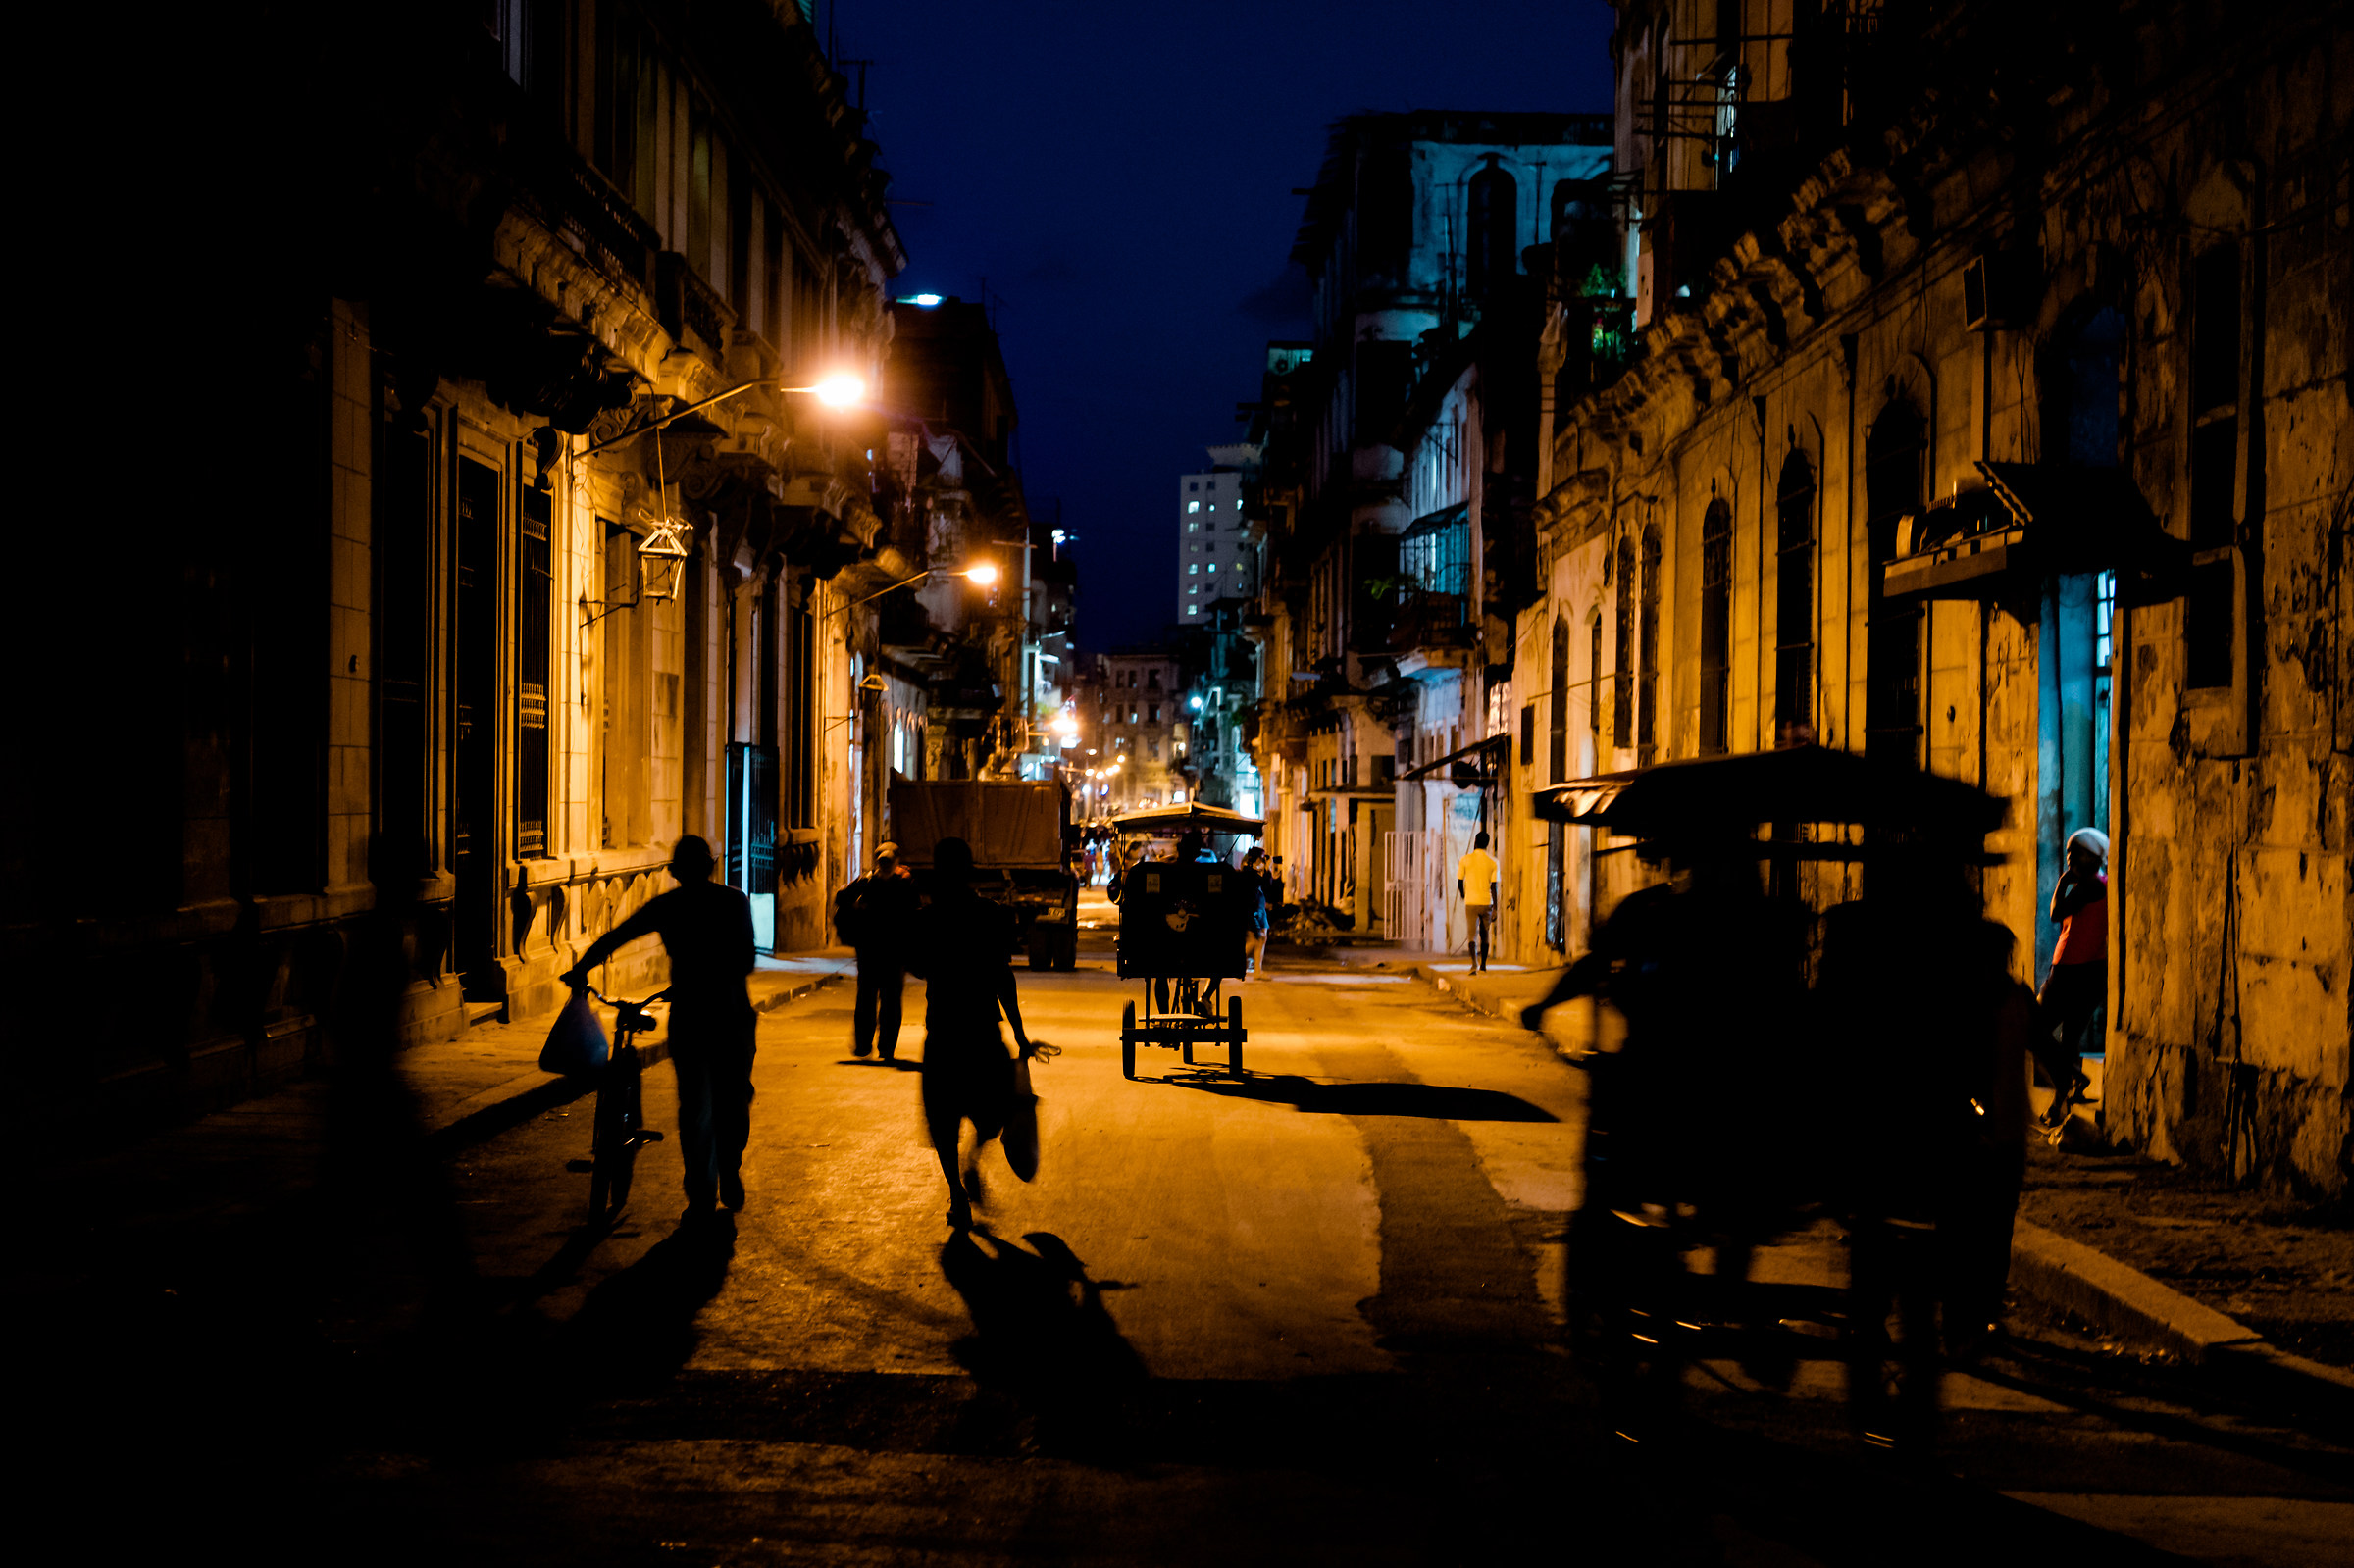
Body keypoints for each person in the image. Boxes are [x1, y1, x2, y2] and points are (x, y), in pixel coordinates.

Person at [563, 835, 755, 1223]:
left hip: (692, 1018)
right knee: (732, 1100)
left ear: (676, 872)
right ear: (711, 866)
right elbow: (746, 960)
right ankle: (729, 1168)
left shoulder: (669, 906)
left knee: (696, 1108)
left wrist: (582, 968)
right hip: (731, 1017)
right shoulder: (734, 901)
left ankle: (703, 1193)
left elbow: (619, 934)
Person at [905, 835, 1036, 1230]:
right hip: (982, 1032)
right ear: (970, 870)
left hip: (944, 1033)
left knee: (942, 1120)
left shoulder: (925, 919)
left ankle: (956, 1190)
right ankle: (971, 1166)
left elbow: (919, 968)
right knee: (993, 1115)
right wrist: (1020, 1033)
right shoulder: (991, 915)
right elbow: (1003, 977)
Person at [2036, 827, 2107, 1127]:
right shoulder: (2102, 884)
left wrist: (2063, 883)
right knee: (2069, 1040)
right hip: (2093, 973)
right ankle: (2061, 1103)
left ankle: (2073, 1078)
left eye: (2073, 853)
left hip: (2068, 971)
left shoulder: (2088, 887)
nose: (2068, 859)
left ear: (2090, 858)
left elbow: (2055, 913)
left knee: (2035, 1030)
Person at [838, 842, 918, 1061]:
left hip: (881, 952)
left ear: (895, 861)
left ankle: (875, 1047)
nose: (885, 866)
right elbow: (914, 915)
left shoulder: (877, 882)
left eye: (887, 862)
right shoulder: (897, 883)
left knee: (874, 1000)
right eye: (882, 862)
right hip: (880, 952)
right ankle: (878, 1047)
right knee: (881, 1001)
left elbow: (841, 897)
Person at [1456, 831, 1499, 973]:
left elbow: (1460, 881)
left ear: (1475, 842)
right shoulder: (1493, 862)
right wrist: (1495, 908)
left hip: (1471, 902)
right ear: (1487, 844)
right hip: (1486, 902)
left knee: (1471, 934)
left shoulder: (1465, 860)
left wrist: (1463, 894)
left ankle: (1474, 963)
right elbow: (1494, 887)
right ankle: (1484, 965)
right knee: (1484, 934)